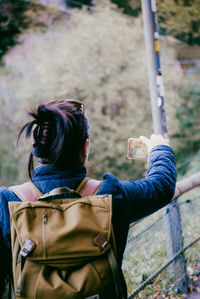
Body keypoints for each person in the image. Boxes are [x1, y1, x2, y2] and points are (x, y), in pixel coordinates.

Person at [0, 99, 176, 298]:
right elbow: (162, 186)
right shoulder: (111, 195)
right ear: (86, 147)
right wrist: (159, 149)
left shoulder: (8, 202)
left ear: (38, 149)